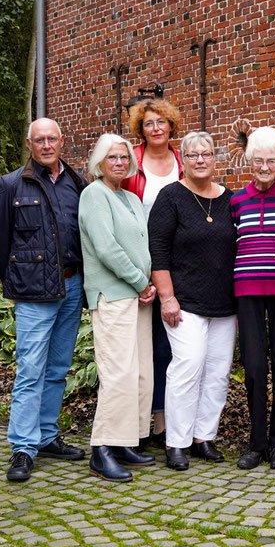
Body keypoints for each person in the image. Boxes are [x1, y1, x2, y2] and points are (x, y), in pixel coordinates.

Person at [0, 118, 86, 481]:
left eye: (52, 139)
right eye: (39, 140)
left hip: (72, 288)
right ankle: (23, 448)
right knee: (30, 370)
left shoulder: (77, 184)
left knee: (58, 369)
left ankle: (46, 436)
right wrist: (17, 278)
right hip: (34, 293)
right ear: (29, 143)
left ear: (62, 141)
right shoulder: (12, 184)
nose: (46, 145)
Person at [148, 132, 237, 471]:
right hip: (183, 303)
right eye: (193, 154)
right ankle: (176, 442)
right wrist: (167, 298)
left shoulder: (230, 199)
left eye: (207, 154)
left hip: (225, 305)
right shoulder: (170, 197)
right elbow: (158, 251)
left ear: (216, 159)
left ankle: (203, 437)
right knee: (187, 367)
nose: (200, 160)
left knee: (216, 374)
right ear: (182, 160)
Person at [78, 133, 157, 482]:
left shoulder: (129, 197)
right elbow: (107, 249)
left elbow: (143, 245)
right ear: (99, 162)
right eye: (112, 158)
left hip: (139, 296)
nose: (120, 163)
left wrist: (148, 284)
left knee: (140, 372)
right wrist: (141, 282)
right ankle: (102, 450)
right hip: (112, 295)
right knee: (118, 373)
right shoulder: (93, 196)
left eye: (124, 157)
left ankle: (127, 441)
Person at [230, 127, 275, 470]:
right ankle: (256, 443)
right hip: (246, 290)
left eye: (271, 160)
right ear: (250, 161)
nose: (265, 166)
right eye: (258, 160)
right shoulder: (236, 200)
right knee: (254, 368)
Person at [122, 98, 183, 448]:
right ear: (140, 129)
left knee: (167, 346)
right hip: (137, 263)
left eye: (162, 121)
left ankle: (162, 425)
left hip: (176, 264)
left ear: (171, 125)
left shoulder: (183, 160)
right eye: (149, 123)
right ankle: (133, 427)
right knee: (134, 348)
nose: (156, 128)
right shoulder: (131, 160)